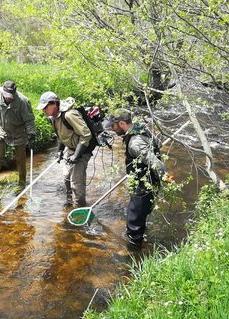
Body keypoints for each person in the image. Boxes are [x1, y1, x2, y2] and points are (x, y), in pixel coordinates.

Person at [102, 109, 171, 247]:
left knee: (134, 219)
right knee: (142, 213)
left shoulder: (135, 143)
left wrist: (166, 178)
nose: (112, 129)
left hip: (144, 185)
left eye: (113, 126)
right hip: (146, 181)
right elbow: (157, 144)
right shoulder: (139, 128)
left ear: (121, 124)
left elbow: (156, 163)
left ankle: (134, 249)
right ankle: (141, 237)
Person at [36, 91, 94, 207]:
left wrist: (76, 156)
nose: (44, 111)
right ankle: (69, 203)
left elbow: (86, 135)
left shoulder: (69, 115)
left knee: (76, 183)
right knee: (67, 177)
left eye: (45, 107)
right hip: (70, 148)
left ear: (55, 104)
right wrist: (59, 151)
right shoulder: (53, 117)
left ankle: (80, 207)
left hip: (82, 149)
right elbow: (62, 136)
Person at [0, 80, 37, 189]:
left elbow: (29, 120)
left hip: (19, 131)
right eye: (7, 95)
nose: (9, 98)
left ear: (15, 92)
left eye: (11, 95)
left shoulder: (23, 101)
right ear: (3, 92)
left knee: (20, 158)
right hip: (2, 129)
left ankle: (22, 181)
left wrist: (32, 135)